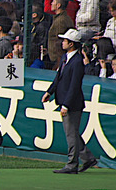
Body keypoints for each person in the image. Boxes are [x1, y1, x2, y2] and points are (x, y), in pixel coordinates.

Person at [42, 29, 98, 174]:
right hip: (64, 100)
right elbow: (58, 77)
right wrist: (50, 91)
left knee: (71, 134)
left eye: (65, 41)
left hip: (72, 104)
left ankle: (72, 164)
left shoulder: (77, 62)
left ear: (71, 44)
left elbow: (74, 85)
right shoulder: (65, 58)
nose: (62, 43)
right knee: (72, 133)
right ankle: (88, 158)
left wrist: (66, 105)